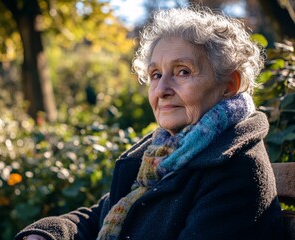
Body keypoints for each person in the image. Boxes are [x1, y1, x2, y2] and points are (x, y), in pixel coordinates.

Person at [15, 5, 284, 240]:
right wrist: (48, 233)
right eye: (155, 74)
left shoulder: (236, 170)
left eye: (182, 71)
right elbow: (104, 214)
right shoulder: (162, 153)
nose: (162, 88)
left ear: (229, 84)